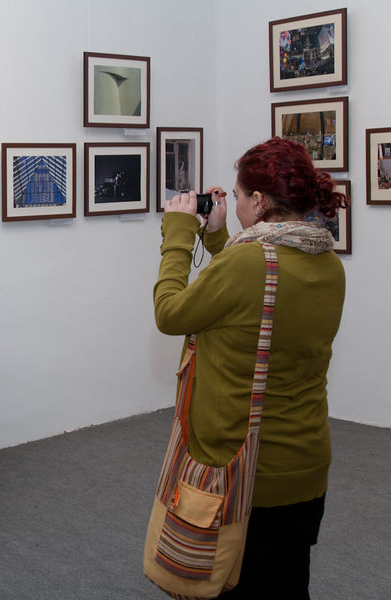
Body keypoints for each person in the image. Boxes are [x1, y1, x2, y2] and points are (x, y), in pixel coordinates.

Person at [154, 137, 348, 598]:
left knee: (228, 585)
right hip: (303, 463)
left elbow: (170, 312)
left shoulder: (248, 263)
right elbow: (254, 304)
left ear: (259, 201)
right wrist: (221, 237)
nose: (236, 204)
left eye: (239, 197)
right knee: (285, 582)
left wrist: (179, 234)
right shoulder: (325, 261)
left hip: (243, 471)